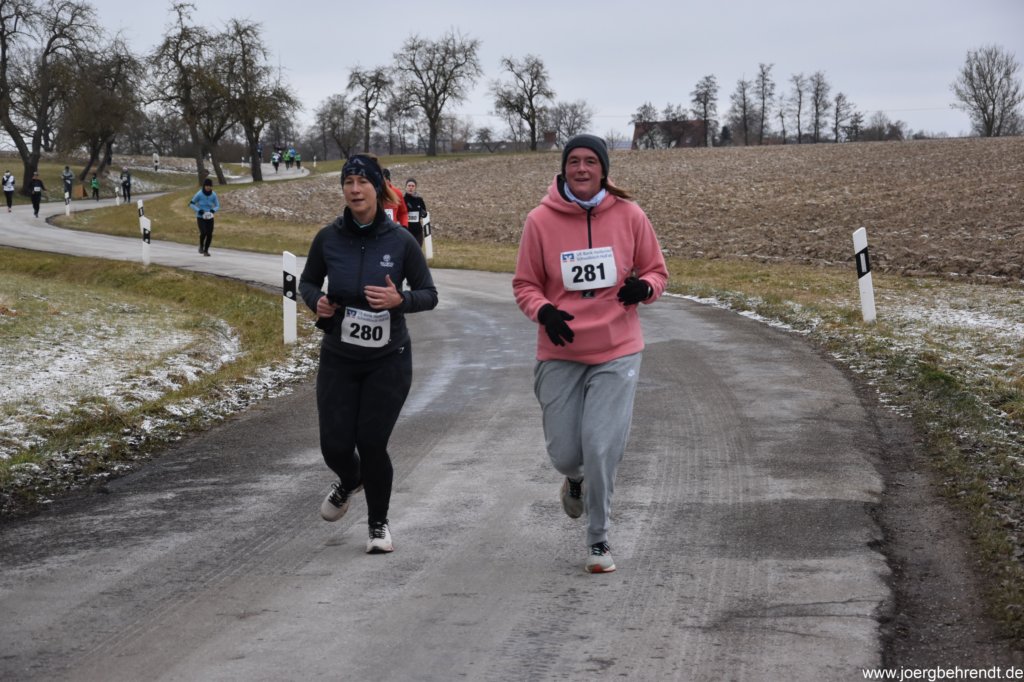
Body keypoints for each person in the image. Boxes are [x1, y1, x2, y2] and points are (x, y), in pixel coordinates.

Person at [512, 134, 668, 574]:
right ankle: (573, 478)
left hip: (617, 350)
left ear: (603, 170)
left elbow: (657, 271)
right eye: (574, 161)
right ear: (563, 169)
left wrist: (645, 288)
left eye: (590, 162)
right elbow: (525, 284)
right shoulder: (540, 220)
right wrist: (544, 312)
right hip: (560, 350)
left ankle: (598, 539)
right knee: (566, 454)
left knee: (600, 446)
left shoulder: (630, 214)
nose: (582, 169)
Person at [298, 153, 437, 555]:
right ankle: (349, 478)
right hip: (339, 356)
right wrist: (317, 301)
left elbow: (429, 294)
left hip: (388, 358)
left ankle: (378, 525)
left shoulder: (401, 241)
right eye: (348, 182)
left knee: (372, 441)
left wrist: (400, 300)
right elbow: (307, 282)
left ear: (377, 188)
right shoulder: (328, 238)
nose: (355, 189)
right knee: (335, 446)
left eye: (362, 182)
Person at [188, 178, 220, 256]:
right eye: (207, 186)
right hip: (200, 217)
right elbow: (191, 204)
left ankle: (206, 251)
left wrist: (213, 210)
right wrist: (199, 210)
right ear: (204, 186)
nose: (208, 187)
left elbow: (217, 205)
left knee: (209, 234)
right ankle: (201, 246)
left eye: (210, 186)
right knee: (203, 232)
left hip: (210, 217)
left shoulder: (213, 195)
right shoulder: (199, 194)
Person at [403, 177, 428, 247]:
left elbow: (424, 214)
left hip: (418, 231)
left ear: (415, 188)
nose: (411, 188)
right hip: (406, 231)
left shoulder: (419, 200)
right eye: (409, 186)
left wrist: (422, 213)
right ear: (406, 187)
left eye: (413, 186)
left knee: (418, 250)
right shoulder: (403, 200)